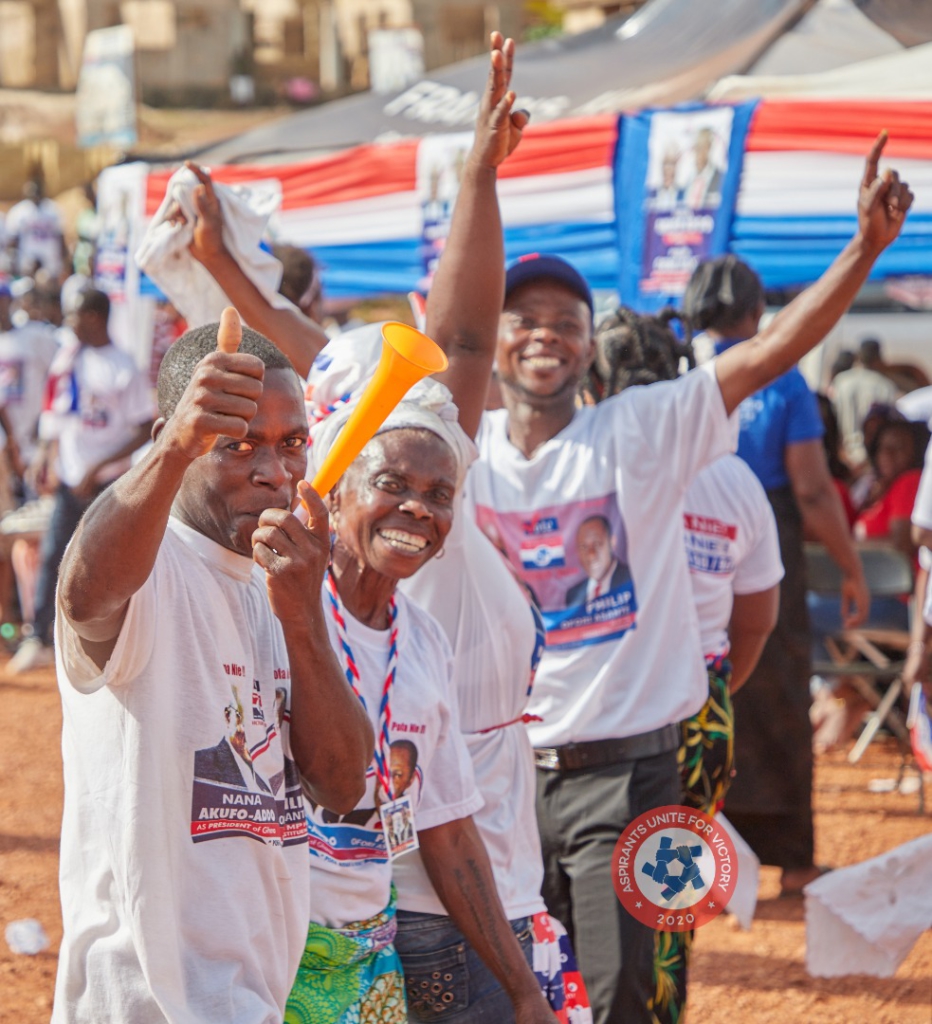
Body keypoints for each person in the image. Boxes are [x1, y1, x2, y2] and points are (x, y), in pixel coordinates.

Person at [421, 30, 911, 1020]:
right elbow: (455, 330)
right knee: (515, 994)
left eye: (565, 320)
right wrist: (480, 168)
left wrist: (861, 249)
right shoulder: (457, 453)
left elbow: (765, 352)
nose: (542, 335)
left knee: (618, 999)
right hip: (501, 781)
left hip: (627, 779)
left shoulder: (640, 428)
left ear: (587, 347)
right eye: (526, 318)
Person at [51, 311, 373, 1023]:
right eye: (237, 445)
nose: (275, 471)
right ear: (186, 438)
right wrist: (169, 449)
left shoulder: (280, 581)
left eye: (293, 444)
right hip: (141, 1005)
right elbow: (85, 593)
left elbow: (343, 785)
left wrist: (303, 616)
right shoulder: (152, 565)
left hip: (256, 1001)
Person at [303, 325, 587, 1023]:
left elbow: (450, 831)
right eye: (391, 484)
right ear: (336, 494)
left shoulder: (422, 641)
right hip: (271, 951)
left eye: (439, 495)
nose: (417, 509)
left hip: (364, 960)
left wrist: (524, 990)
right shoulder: (274, 608)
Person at [587, 305, 783, 1022]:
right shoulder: (734, 481)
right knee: (667, 893)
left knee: (582, 887)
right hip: (703, 708)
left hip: (601, 713)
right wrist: (711, 690)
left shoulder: (586, 463)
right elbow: (756, 619)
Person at [682, 253, 872, 899]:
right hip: (763, 547)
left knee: (694, 695)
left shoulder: (678, 370)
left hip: (682, 552)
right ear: (757, 312)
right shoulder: (782, 380)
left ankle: (699, 864)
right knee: (780, 697)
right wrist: (850, 569)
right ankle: (793, 863)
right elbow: (815, 490)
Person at [7, 289, 156, 674]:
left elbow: (144, 428)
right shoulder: (69, 358)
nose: (68, 321)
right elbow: (55, 414)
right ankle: (40, 638)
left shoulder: (123, 367)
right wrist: (44, 454)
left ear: (94, 316)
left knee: (106, 563)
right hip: (70, 478)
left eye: (74, 314)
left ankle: (112, 644)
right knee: (54, 555)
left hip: (107, 484)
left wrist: (100, 466)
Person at [854, 416, 927, 562]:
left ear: (915, 452)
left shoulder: (910, 481)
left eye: (897, 448)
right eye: (883, 447)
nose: (887, 454)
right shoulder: (882, 488)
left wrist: (847, 546)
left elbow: (902, 544)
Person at [830, 337, 900, 467]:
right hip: (871, 456)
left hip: (845, 454)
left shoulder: (841, 381)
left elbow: (831, 418)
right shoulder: (885, 386)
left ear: (858, 357)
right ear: (879, 358)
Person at [4, 178, 67, 280]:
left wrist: (64, 260)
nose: (34, 194)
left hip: (49, 258)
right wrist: (13, 262)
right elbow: (12, 240)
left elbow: (61, 237)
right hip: (27, 259)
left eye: (36, 191)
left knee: (48, 288)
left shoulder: (53, 209)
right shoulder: (19, 211)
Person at [565, 515, 632, 606]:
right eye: (584, 547)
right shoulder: (573, 595)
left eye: (597, 544)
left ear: (612, 542)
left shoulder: (632, 579)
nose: (591, 555)